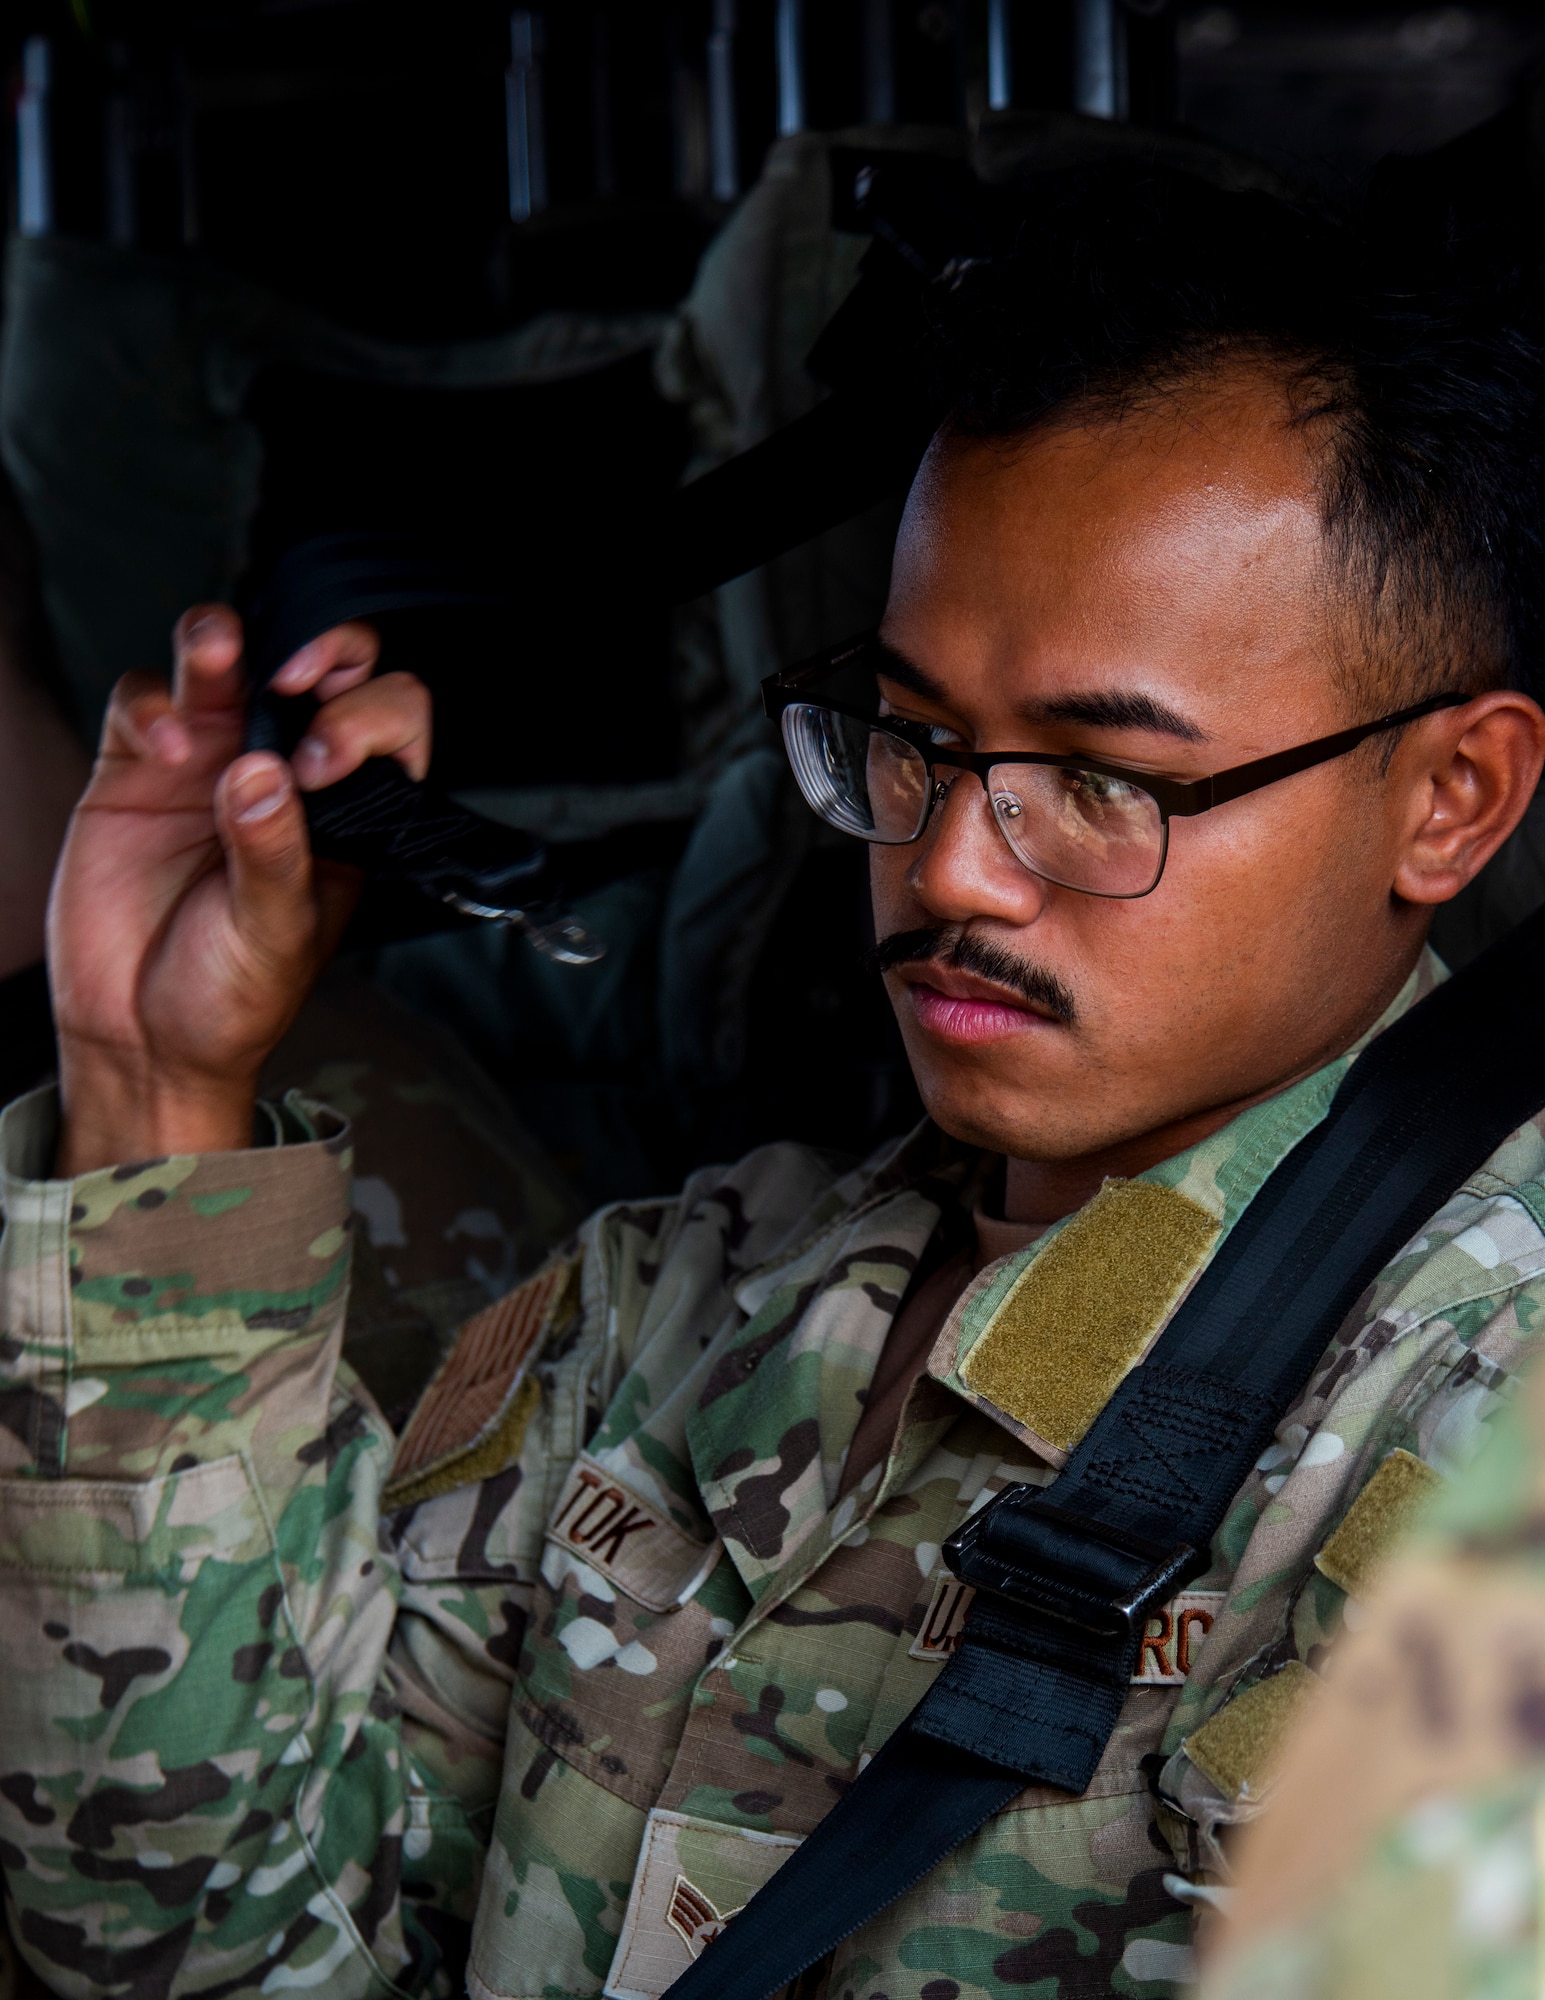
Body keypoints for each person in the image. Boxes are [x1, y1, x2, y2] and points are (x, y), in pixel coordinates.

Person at [5, 166, 1545, 2000]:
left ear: (1449, 797)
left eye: (1105, 776)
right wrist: (154, 1091)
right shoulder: (681, 1300)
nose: (955, 868)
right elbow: (187, 1950)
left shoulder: (1480, 1448)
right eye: (911, 737)